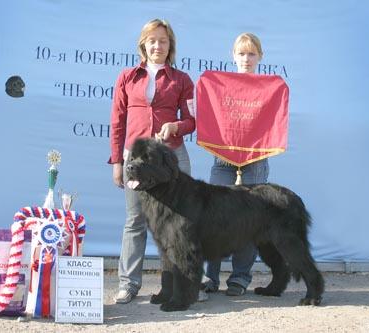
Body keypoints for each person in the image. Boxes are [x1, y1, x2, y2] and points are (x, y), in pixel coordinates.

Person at [109, 19, 196, 304]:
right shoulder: (127, 76)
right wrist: (117, 162)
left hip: (172, 160)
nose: (158, 46)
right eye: (153, 40)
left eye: (164, 41)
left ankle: (180, 286)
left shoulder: (182, 79)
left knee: (178, 224)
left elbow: (193, 120)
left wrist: (176, 126)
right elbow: (117, 122)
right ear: (143, 45)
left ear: (171, 46)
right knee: (135, 221)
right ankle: (128, 284)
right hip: (136, 160)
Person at [200, 32, 269, 297]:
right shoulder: (221, 86)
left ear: (260, 57)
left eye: (252, 53)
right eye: (241, 53)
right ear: (233, 56)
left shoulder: (268, 89)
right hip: (222, 161)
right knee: (214, 219)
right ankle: (210, 277)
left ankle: (240, 278)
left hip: (255, 162)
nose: (246, 59)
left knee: (248, 223)